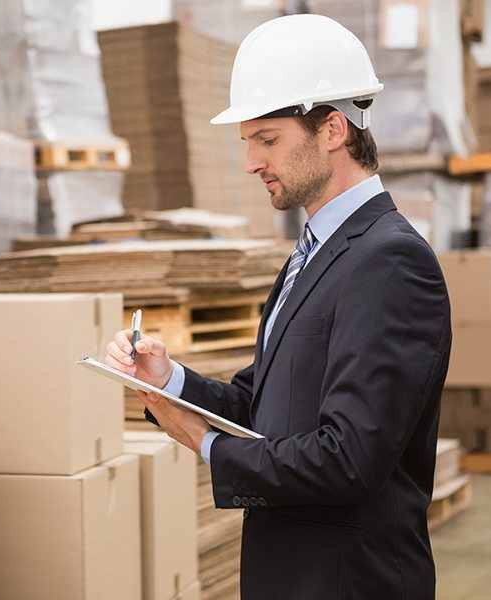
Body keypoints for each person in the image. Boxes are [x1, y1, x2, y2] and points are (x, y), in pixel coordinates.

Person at [103, 13, 452, 600]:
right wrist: (169, 379)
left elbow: (348, 459)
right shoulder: (315, 252)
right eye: (247, 143)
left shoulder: (391, 262)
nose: (251, 163)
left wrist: (205, 444)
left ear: (334, 130)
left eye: (268, 140)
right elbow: (262, 402)